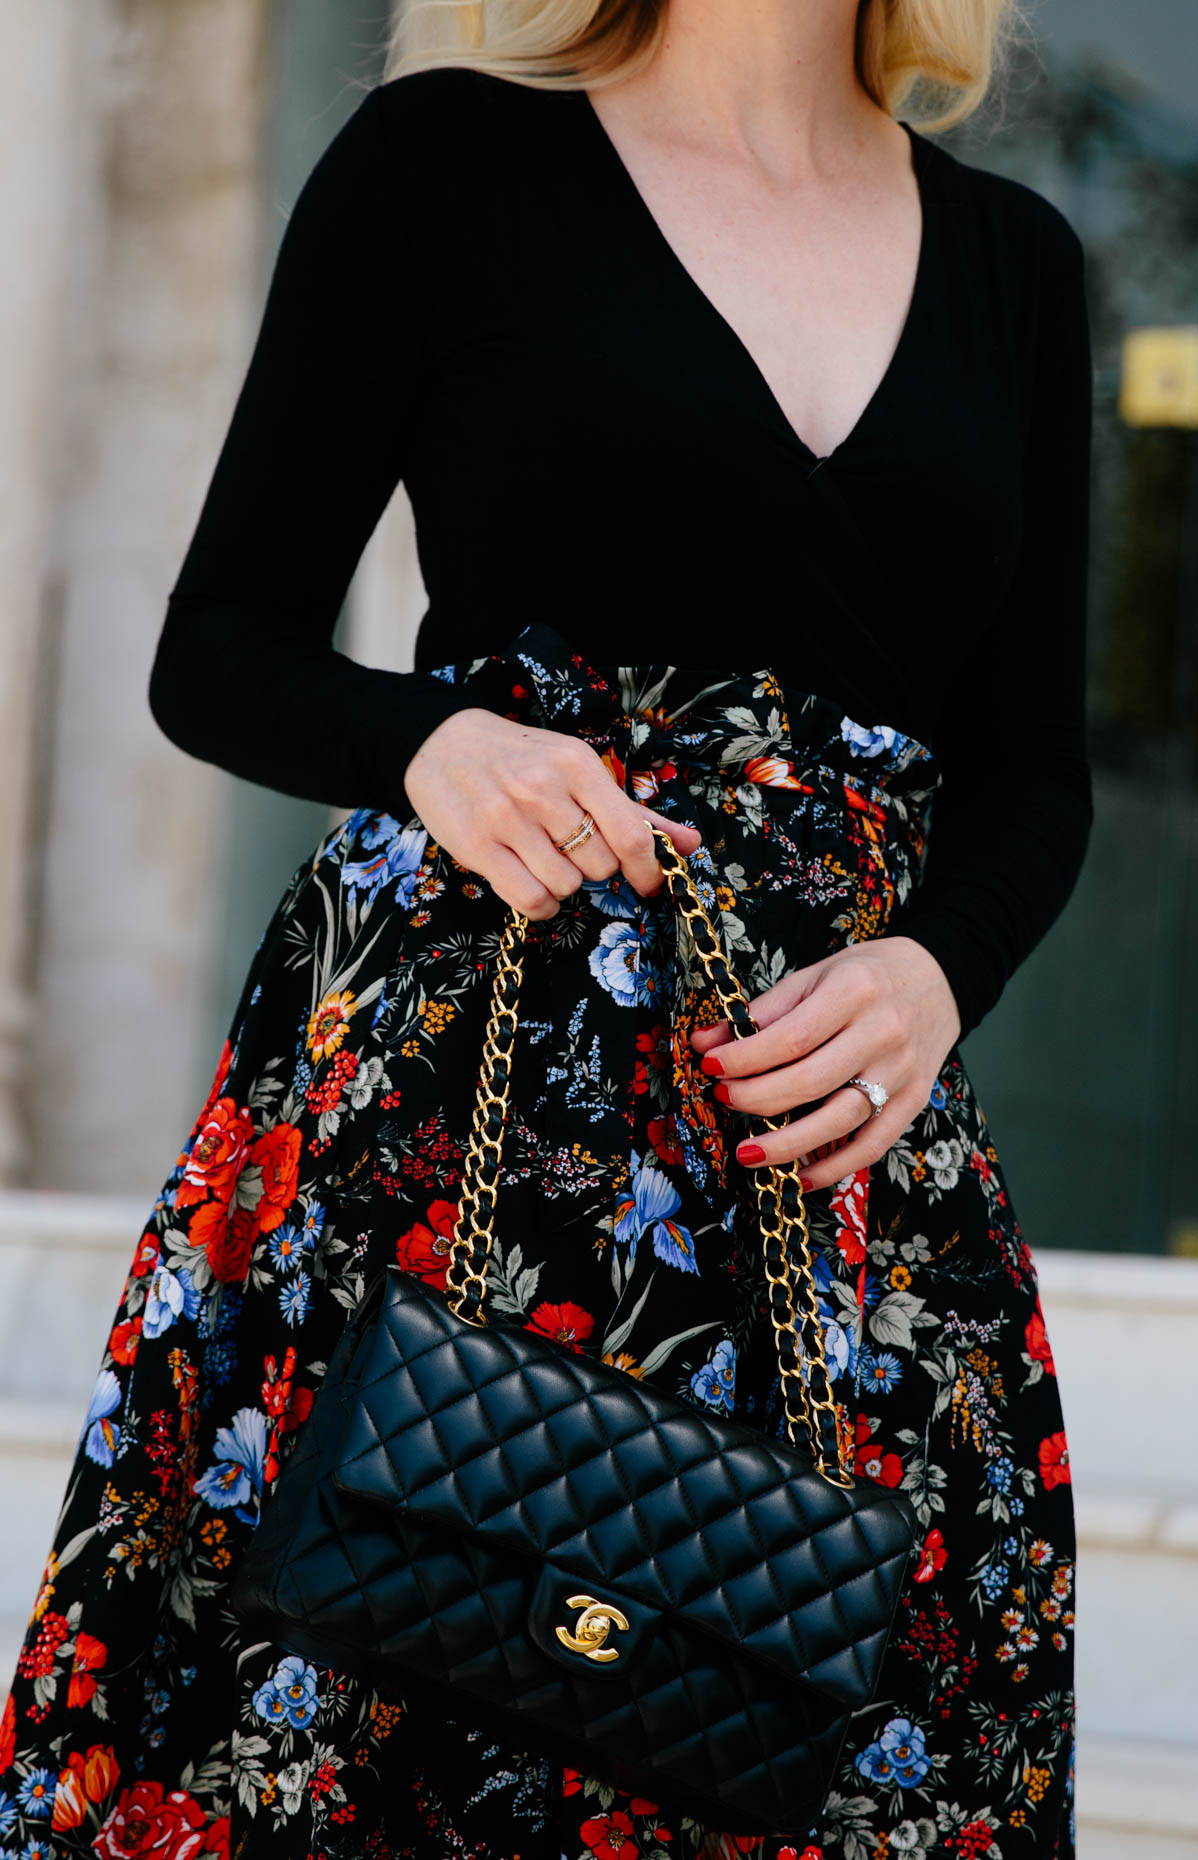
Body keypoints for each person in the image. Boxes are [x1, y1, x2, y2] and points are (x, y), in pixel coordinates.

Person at [0, 0, 1092, 1855]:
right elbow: (218, 651)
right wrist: (431, 741)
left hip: (831, 1154)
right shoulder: (444, 164)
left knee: (845, 1745)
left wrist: (935, 969)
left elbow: (1036, 776)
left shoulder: (1019, 263)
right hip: (447, 1115)